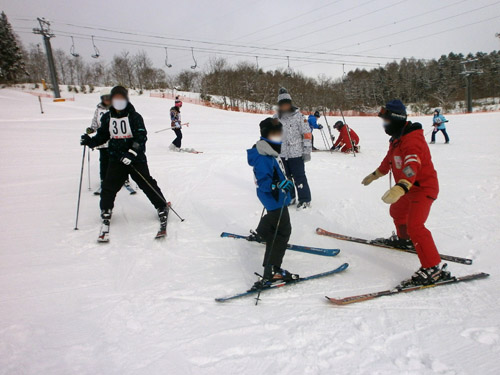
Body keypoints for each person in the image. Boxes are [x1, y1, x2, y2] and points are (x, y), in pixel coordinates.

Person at [361, 99, 451, 288]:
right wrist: (376, 174)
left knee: (416, 226)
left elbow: (412, 165)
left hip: (423, 188)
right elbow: (389, 160)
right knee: (397, 212)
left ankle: (433, 268)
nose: (384, 125)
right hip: (408, 189)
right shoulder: (396, 139)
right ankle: (405, 240)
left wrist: (401, 186)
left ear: (395, 119)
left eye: (386, 121)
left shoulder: (412, 140)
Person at [80, 86, 169, 233]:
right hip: (116, 157)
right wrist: (90, 142)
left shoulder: (134, 116)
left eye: (122, 98)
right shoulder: (107, 117)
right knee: (109, 185)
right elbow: (102, 136)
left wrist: (132, 152)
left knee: (146, 182)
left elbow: (141, 137)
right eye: (116, 99)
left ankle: (161, 205)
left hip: (135, 159)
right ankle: (106, 209)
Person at [247, 117, 297, 289]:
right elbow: (263, 182)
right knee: (282, 231)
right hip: (273, 197)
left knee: (275, 223)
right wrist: (278, 184)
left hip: (276, 196)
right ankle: (272, 271)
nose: (279, 136)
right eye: (275, 133)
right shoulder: (263, 156)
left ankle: (262, 233)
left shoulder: (268, 150)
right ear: (266, 134)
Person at [274, 88, 312, 210]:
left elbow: (307, 134)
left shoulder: (299, 117)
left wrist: (307, 151)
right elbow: (273, 135)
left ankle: (305, 199)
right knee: (286, 177)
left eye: (286, 103)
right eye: (282, 103)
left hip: (296, 153)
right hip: (282, 154)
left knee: (299, 176)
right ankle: (290, 197)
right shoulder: (276, 117)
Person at [86, 88, 111, 194]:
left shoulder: (117, 108)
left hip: (115, 140)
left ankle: (124, 178)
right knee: (104, 161)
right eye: (105, 98)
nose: (107, 100)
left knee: (119, 160)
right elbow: (95, 123)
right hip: (102, 141)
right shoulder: (99, 110)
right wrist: (92, 129)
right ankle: (104, 180)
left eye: (109, 98)